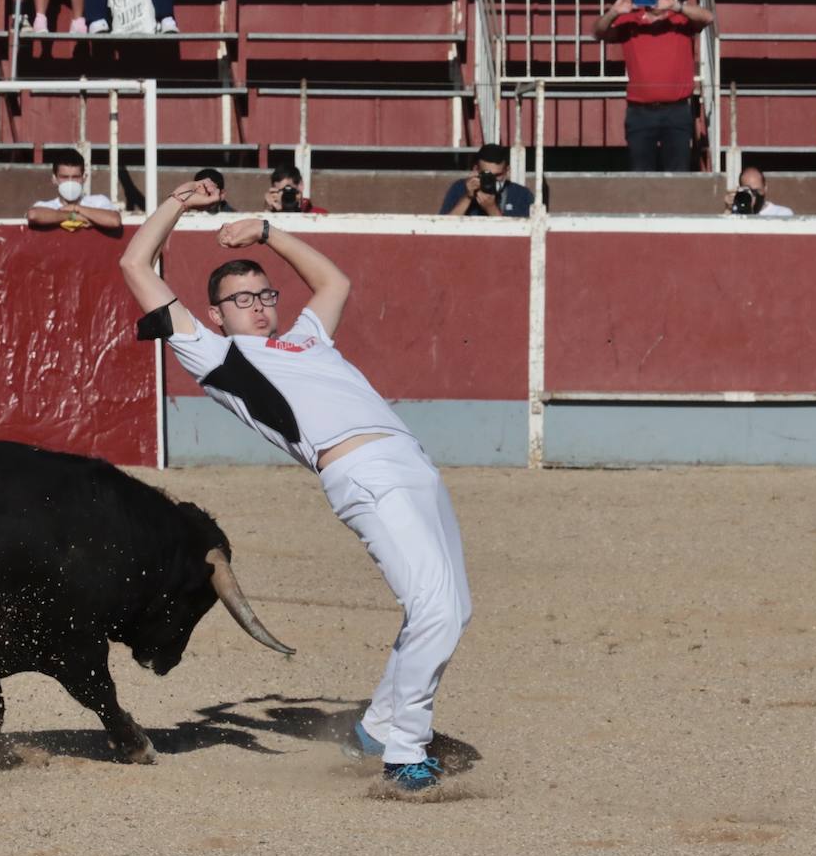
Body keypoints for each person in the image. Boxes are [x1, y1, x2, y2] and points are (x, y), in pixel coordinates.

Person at [119, 179, 471, 793]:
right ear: (216, 314)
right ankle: (402, 752)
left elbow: (337, 283)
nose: (256, 304)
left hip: (414, 467)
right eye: (240, 298)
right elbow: (133, 263)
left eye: (264, 293)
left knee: (452, 609)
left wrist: (270, 232)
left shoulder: (306, 336)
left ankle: (381, 727)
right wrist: (178, 204)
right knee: (434, 609)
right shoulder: (217, 356)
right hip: (363, 473)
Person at [591, 0, 716, 173]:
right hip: (640, 111)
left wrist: (676, 5)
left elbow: (708, 18)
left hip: (677, 110)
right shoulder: (630, 19)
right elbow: (597, 33)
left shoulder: (682, 18)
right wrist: (614, 11)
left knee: (678, 172)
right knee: (640, 172)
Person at [440, 142, 533, 216]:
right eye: (487, 175)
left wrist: (491, 209)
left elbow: (519, 236)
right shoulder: (460, 188)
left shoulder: (522, 195)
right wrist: (467, 197)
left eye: (498, 175)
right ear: (476, 170)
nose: (493, 180)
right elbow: (442, 228)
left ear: (507, 171)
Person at [27, 161, 122, 232]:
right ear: (54, 179)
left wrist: (76, 208)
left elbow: (114, 221)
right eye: (64, 177)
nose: (70, 182)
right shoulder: (45, 206)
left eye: (75, 177)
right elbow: (33, 215)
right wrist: (73, 216)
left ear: (84, 178)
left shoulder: (98, 201)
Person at [723, 166, 792, 218]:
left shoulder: (781, 214)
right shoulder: (737, 214)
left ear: (765, 188)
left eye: (757, 191)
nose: (753, 196)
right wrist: (729, 209)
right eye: (748, 191)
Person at [262, 163, 326, 215]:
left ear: (301, 185)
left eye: (290, 191)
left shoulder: (320, 216)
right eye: (282, 191)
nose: (287, 197)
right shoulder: (269, 217)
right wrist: (268, 213)